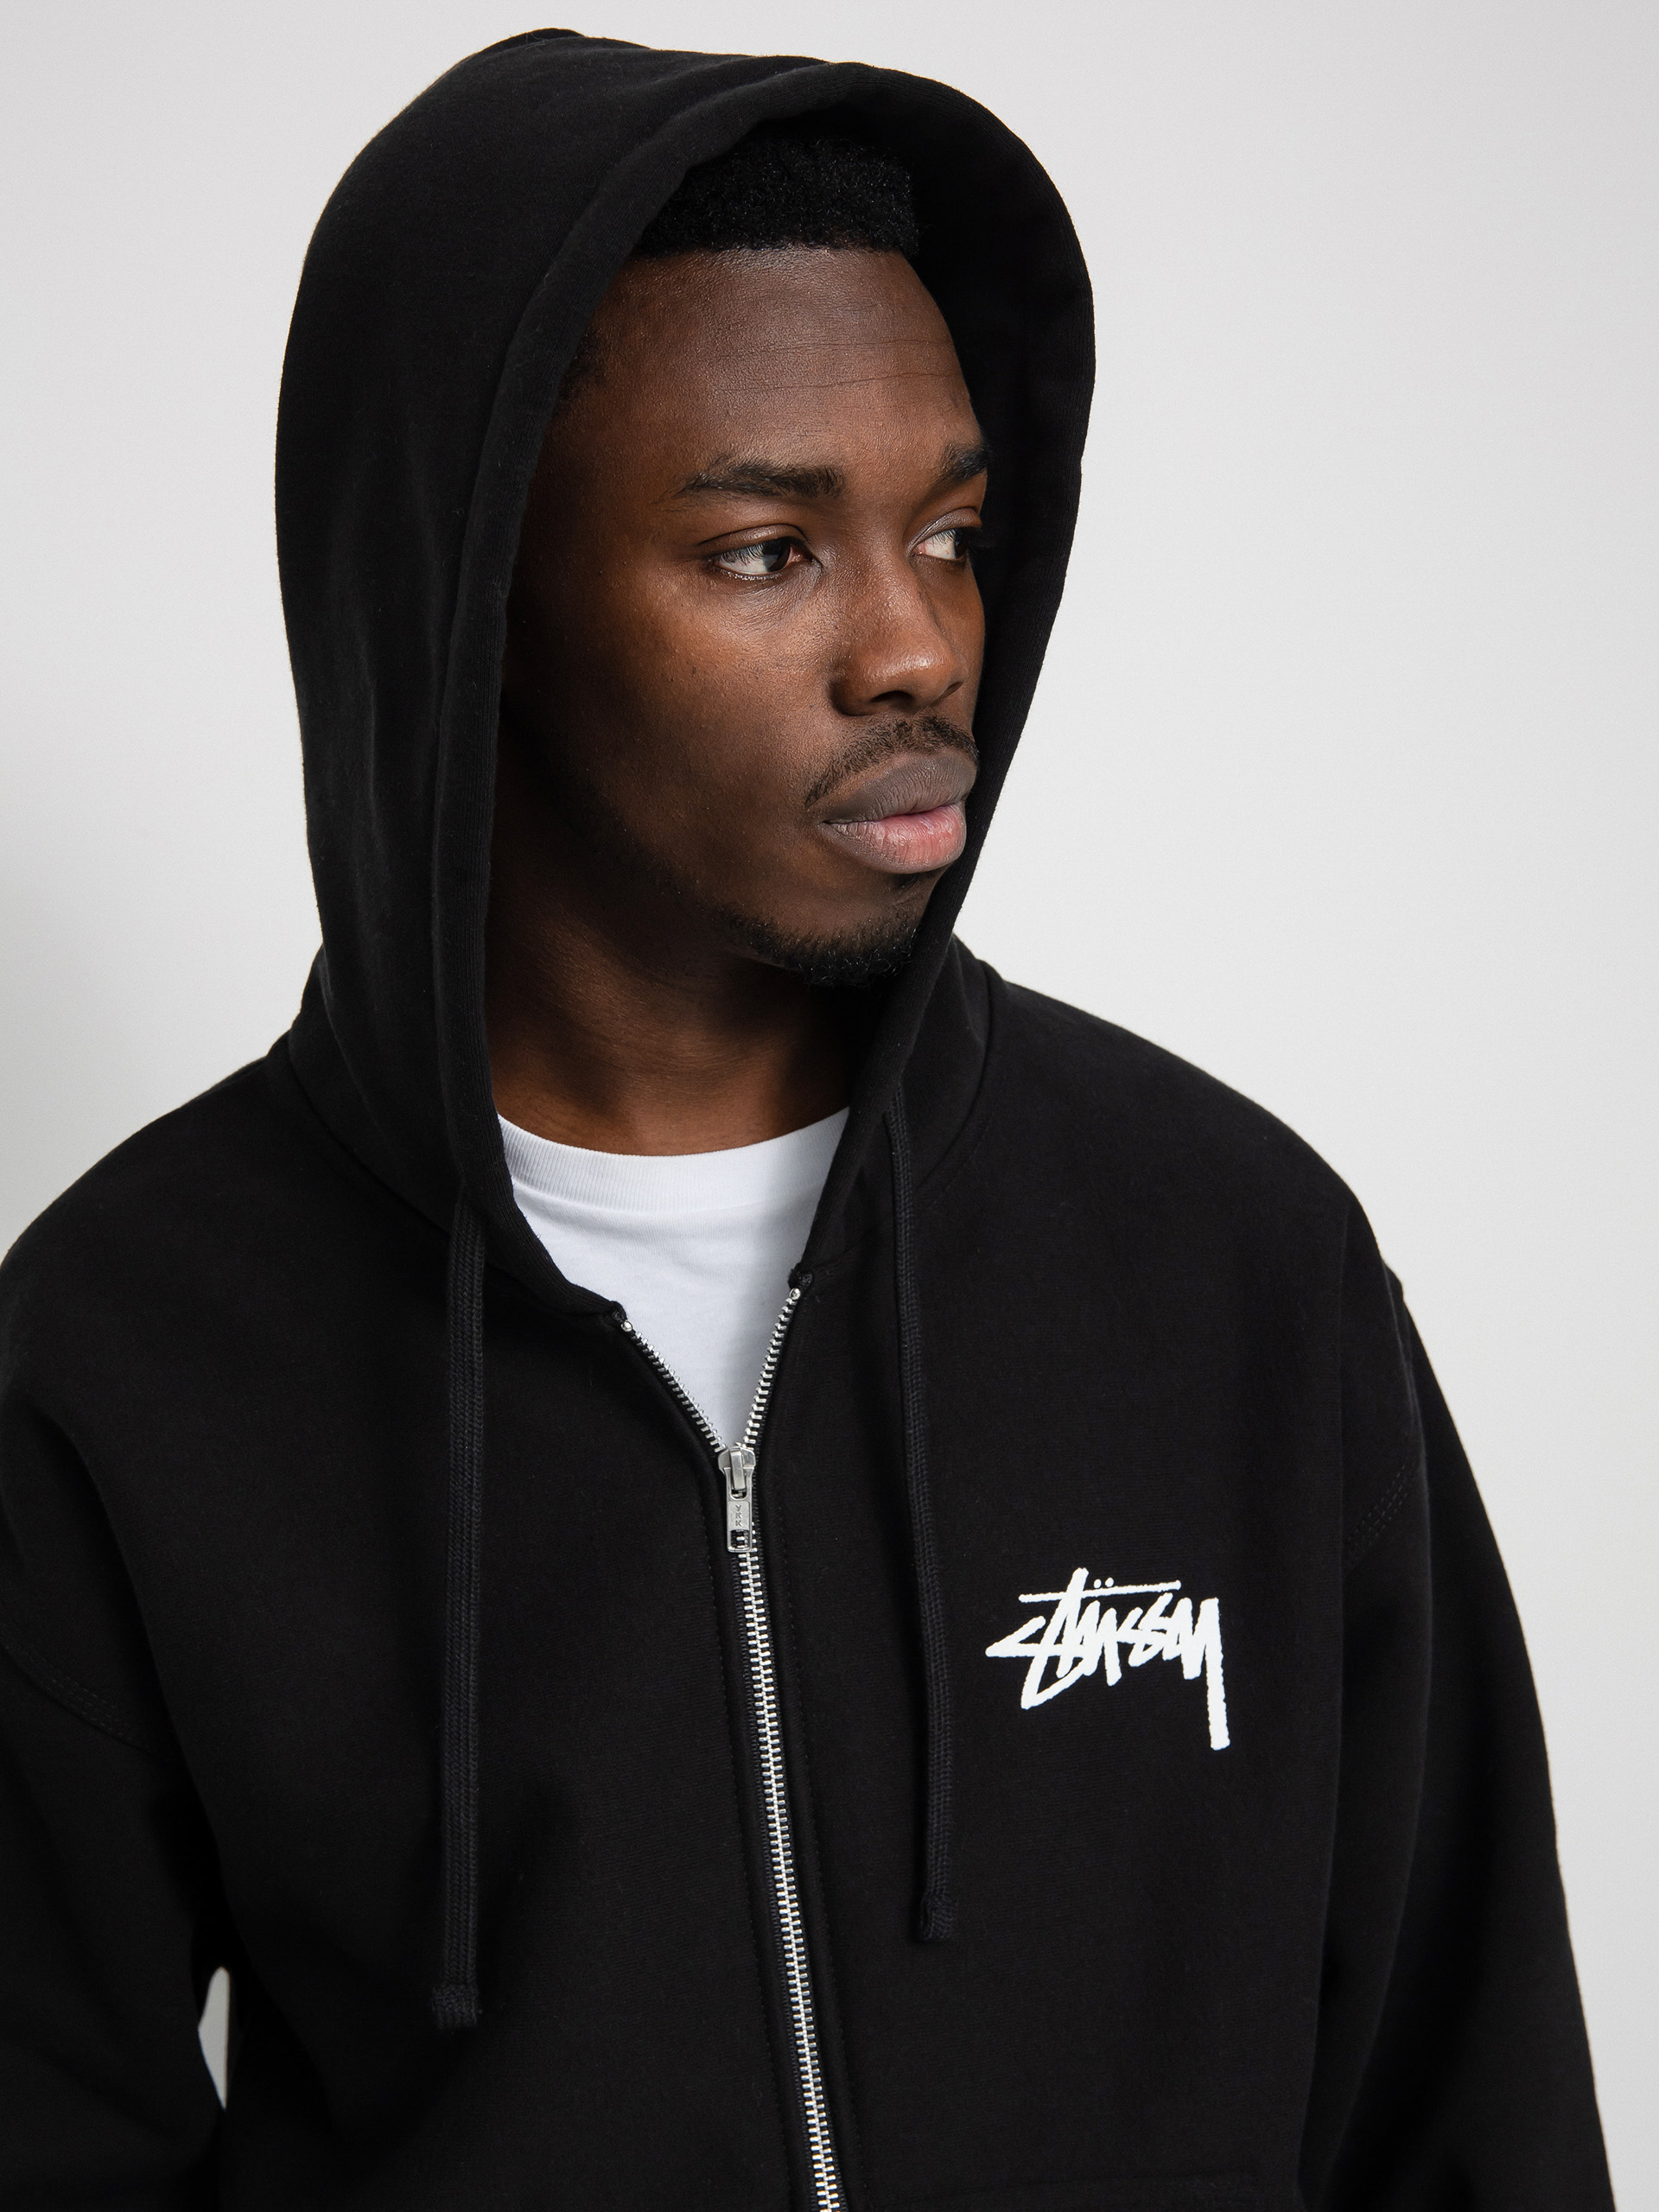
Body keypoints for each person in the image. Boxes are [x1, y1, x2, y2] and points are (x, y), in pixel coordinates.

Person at [0, 30, 1612, 2212]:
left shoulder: (1233, 1263)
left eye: (950, 532)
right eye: (767, 551)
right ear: (473, 602)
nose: (917, 645)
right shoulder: (129, 1349)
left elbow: (1472, 2110)